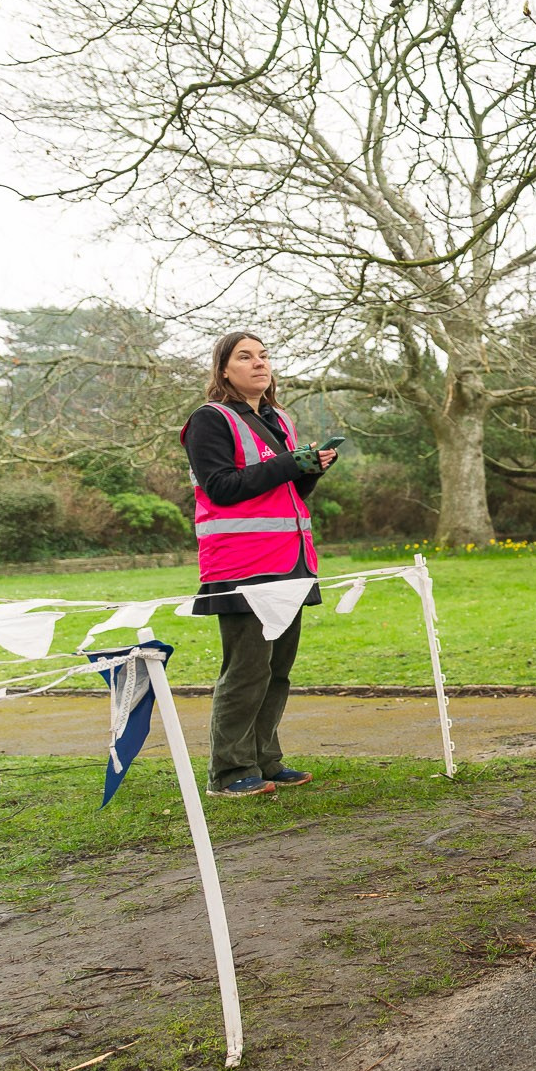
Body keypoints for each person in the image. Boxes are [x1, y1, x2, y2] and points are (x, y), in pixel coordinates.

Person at [181, 333, 337, 798]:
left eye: (263, 355)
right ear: (223, 370)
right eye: (244, 357)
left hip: (291, 562)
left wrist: (308, 470)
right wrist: (290, 463)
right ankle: (229, 772)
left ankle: (266, 761)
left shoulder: (280, 418)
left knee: (278, 670)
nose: (258, 363)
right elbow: (222, 487)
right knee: (247, 670)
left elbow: (286, 494)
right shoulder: (210, 420)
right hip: (241, 566)